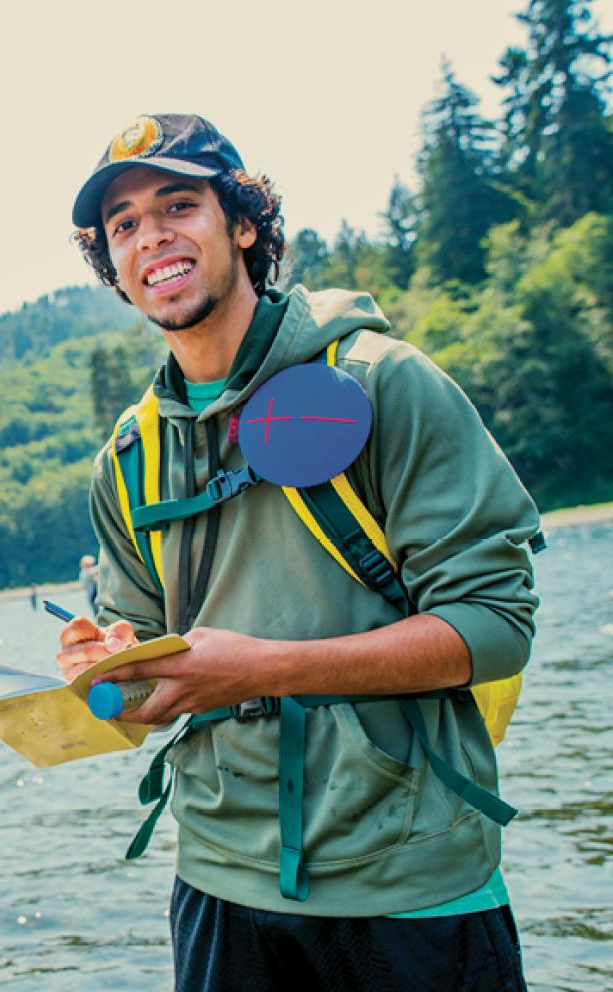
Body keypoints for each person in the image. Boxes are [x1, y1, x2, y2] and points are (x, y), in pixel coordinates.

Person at [56, 114, 540, 991]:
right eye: (124, 225)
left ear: (243, 223)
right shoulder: (126, 461)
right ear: (116, 270)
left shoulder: (386, 383)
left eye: (177, 204)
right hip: (216, 885)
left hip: (411, 885)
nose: (151, 236)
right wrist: (109, 667)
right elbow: (140, 661)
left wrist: (263, 669)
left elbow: (497, 626)